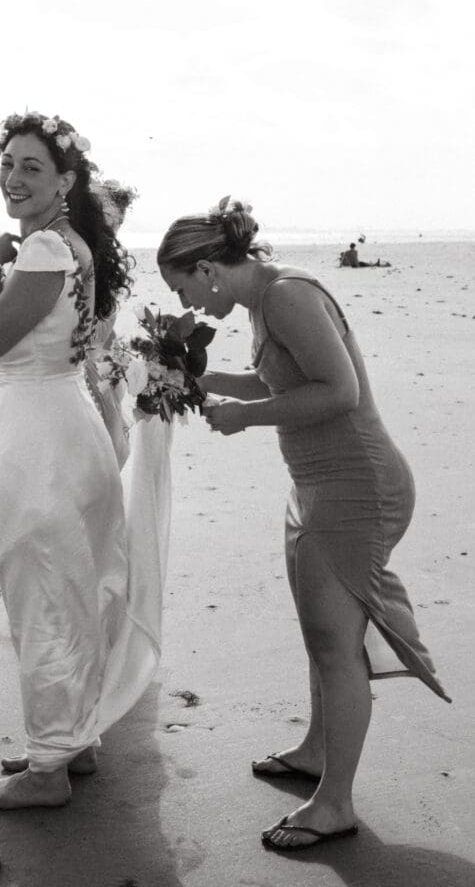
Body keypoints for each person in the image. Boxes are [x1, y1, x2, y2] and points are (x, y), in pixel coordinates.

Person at [157, 198, 450, 851]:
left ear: (207, 268)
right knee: (322, 632)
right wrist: (191, 377)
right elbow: (273, 381)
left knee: (333, 646)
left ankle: (334, 803)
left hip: (355, 486)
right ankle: (317, 752)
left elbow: (338, 391)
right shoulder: (265, 300)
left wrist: (242, 418)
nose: (192, 307)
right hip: (317, 484)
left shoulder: (287, 296)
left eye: (184, 289)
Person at [0, 111, 165, 810]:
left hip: (43, 434)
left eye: (31, 167)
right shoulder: (71, 241)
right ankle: (72, 738)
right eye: (8, 164)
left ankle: (48, 768)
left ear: (65, 180)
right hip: (63, 421)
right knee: (74, 585)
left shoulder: (43, 250)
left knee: (42, 590)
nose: (12, 178)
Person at [84, 179, 138, 469]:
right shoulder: (71, 262)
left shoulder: (106, 270)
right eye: (105, 223)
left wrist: (128, 362)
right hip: (74, 376)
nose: (110, 233)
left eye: (116, 226)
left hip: (102, 374)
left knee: (111, 456)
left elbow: (106, 331)